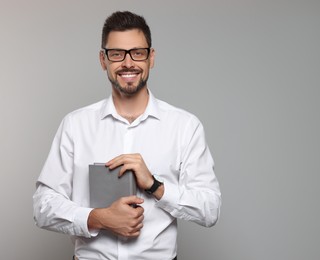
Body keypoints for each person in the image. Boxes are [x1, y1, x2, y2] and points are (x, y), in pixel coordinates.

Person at [33, 11, 221, 260]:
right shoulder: (75, 125)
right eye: (117, 54)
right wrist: (97, 218)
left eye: (138, 53)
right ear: (103, 60)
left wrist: (155, 186)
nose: (128, 63)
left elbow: (210, 209)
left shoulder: (185, 126)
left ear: (151, 57)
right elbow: (42, 206)